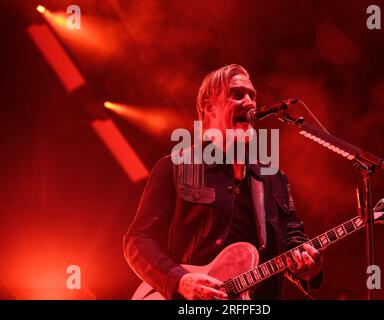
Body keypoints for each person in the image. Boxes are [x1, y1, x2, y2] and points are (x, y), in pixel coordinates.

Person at [123, 64, 323, 300]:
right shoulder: (175, 167)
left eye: (252, 96)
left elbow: (293, 238)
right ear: (209, 109)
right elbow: (137, 241)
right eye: (237, 95)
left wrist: (308, 267)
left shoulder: (273, 177)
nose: (250, 103)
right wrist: (180, 281)